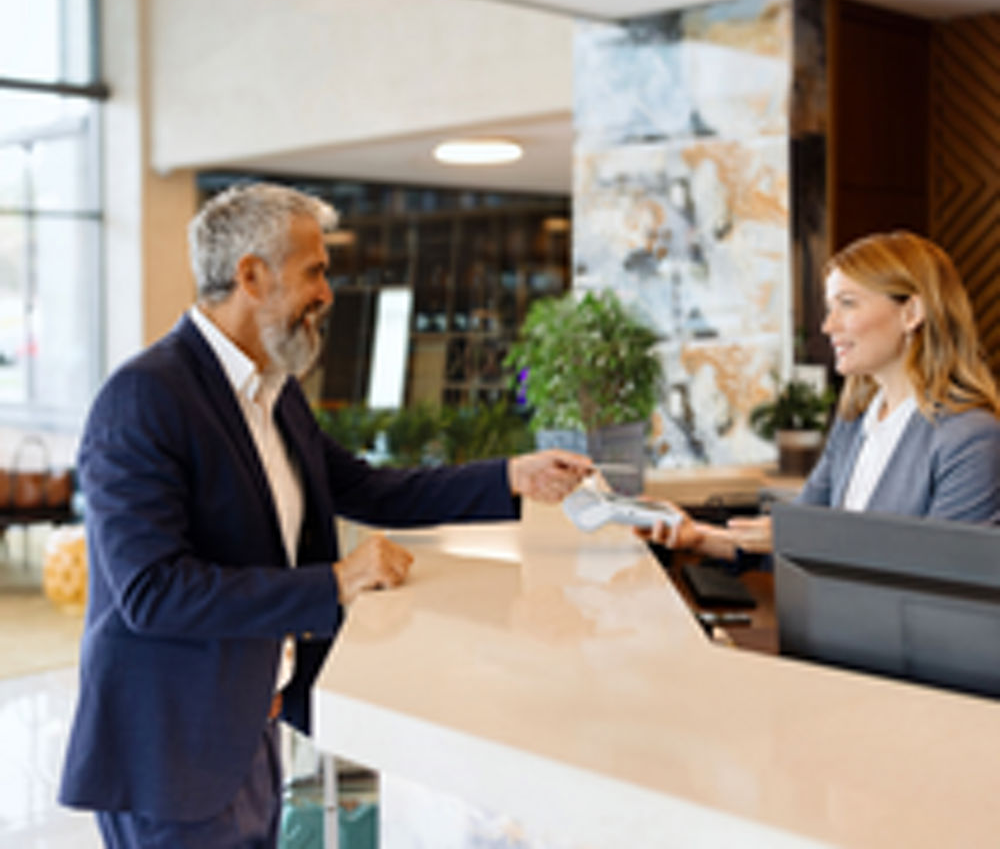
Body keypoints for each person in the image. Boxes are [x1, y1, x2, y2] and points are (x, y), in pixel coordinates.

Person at [59, 183, 591, 848]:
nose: (328, 293)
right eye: (315, 270)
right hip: (172, 749)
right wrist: (335, 582)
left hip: (249, 723)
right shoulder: (144, 397)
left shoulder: (272, 392)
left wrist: (513, 476)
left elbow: (371, 490)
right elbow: (152, 592)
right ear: (251, 275)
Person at [648, 230, 1000, 559]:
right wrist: (698, 536)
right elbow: (793, 534)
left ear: (911, 313)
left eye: (847, 304)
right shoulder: (855, 424)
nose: (828, 326)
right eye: (831, 307)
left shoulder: (970, 438)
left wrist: (807, 539)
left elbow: (943, 572)